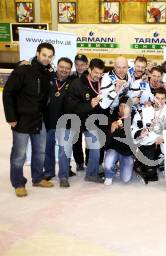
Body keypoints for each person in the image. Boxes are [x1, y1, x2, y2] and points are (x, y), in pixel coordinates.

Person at [3, 42, 55, 197]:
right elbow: (8, 93)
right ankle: (18, 183)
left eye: (50, 56)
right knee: (19, 154)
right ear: (38, 53)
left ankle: (38, 178)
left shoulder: (47, 73)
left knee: (40, 151)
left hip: (39, 119)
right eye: (44, 55)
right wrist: (11, 117)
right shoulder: (23, 70)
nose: (47, 58)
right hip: (22, 120)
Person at [63, 58, 107, 184]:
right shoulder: (77, 83)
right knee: (66, 147)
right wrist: (89, 105)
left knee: (96, 147)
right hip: (76, 120)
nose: (98, 76)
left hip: (91, 121)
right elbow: (70, 106)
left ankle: (91, 174)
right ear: (89, 70)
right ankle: (64, 175)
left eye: (100, 73)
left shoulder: (102, 83)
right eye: (95, 73)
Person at [42, 57, 76, 186]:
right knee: (48, 148)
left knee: (64, 150)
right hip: (48, 121)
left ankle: (63, 176)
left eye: (67, 68)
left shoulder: (73, 81)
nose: (64, 70)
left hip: (66, 123)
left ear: (70, 70)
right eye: (62, 67)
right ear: (57, 66)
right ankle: (49, 172)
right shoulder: (48, 78)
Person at [103, 100, 135, 185]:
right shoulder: (112, 118)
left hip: (127, 152)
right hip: (114, 148)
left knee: (126, 179)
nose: (123, 108)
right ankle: (109, 174)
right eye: (121, 105)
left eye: (125, 106)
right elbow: (106, 141)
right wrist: (111, 130)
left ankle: (122, 165)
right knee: (109, 161)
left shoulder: (134, 118)